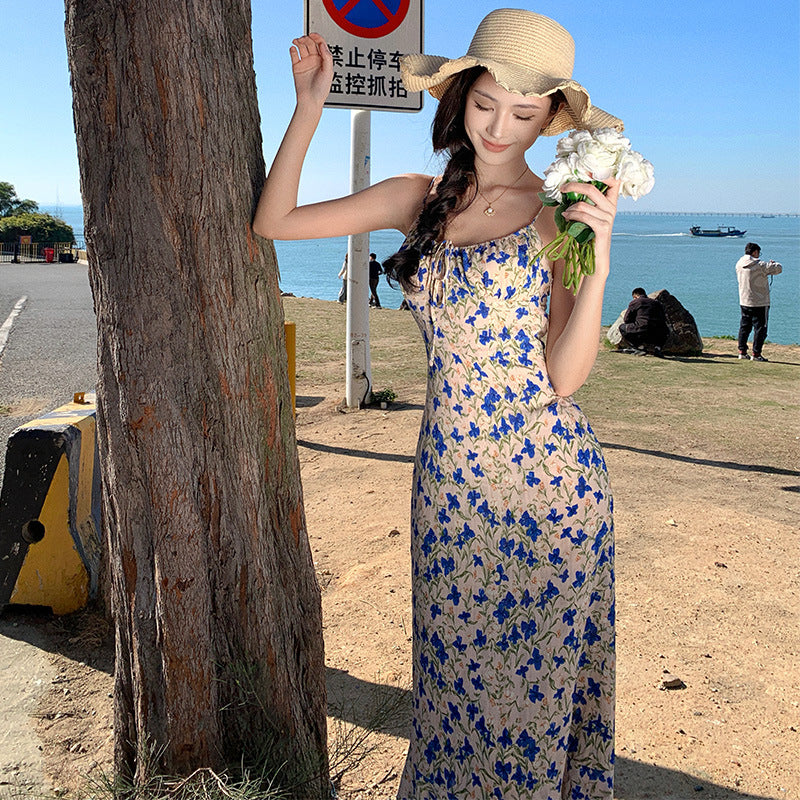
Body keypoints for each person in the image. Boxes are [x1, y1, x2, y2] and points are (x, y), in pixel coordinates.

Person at [253, 9, 620, 798]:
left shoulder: (561, 216)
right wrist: (309, 106)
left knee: (533, 698)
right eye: (486, 105)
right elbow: (274, 221)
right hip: (449, 485)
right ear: (459, 98)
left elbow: (563, 377)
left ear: (552, 119)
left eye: (524, 114)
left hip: (549, 490)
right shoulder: (415, 197)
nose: (500, 126)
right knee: (452, 688)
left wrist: (597, 265)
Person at [735, 242, 782, 361]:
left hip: (744, 300)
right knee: (761, 328)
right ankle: (756, 354)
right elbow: (778, 269)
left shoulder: (739, 264)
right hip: (760, 302)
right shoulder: (760, 265)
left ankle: (742, 351)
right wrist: (773, 263)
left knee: (744, 327)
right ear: (755, 252)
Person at [619, 287, 669, 356]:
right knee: (665, 329)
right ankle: (658, 349)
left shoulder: (635, 302)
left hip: (642, 330)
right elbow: (664, 318)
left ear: (635, 296)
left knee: (622, 327)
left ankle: (640, 348)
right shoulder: (657, 303)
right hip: (658, 333)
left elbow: (627, 319)